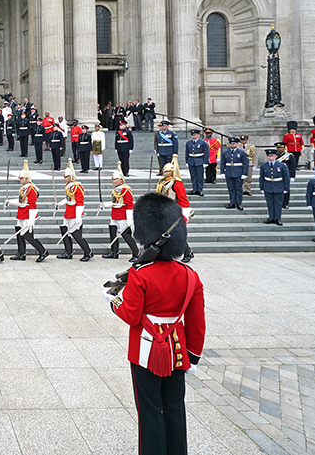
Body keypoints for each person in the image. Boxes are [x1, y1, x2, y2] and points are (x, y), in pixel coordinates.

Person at [108, 193, 205, 455]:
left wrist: (113, 301)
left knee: (149, 409)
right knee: (174, 407)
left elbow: (129, 315)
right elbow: (196, 324)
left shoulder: (141, 275)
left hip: (144, 351)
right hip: (177, 352)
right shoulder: (190, 275)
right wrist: (192, 357)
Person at [5, 160, 48, 262]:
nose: (20, 180)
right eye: (19, 178)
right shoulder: (24, 188)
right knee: (20, 234)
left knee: (28, 236)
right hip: (21, 213)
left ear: (26, 178)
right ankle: (21, 253)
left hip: (28, 215)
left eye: (21, 178)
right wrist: (10, 202)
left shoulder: (31, 189)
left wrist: (31, 219)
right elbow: (21, 202)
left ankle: (43, 251)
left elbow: (32, 205)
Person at [156, 156, 195, 263]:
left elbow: (183, 200)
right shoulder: (162, 182)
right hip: (163, 209)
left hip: (173, 210)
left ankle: (188, 252)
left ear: (172, 172)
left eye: (167, 171)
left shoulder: (176, 183)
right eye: (164, 170)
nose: (164, 172)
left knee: (175, 233)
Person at [55, 159, 92, 261]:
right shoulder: (68, 186)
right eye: (64, 176)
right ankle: (68, 252)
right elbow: (68, 199)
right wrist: (59, 204)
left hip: (75, 212)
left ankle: (88, 252)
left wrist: (78, 216)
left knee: (76, 235)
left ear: (71, 176)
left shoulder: (77, 186)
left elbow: (80, 202)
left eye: (66, 176)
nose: (64, 178)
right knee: (64, 231)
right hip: (68, 212)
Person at [102, 163, 139, 261]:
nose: (112, 181)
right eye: (113, 179)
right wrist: (105, 205)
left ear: (120, 180)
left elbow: (129, 204)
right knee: (113, 233)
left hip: (122, 216)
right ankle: (114, 252)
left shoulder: (125, 189)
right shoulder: (116, 189)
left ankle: (136, 253)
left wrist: (130, 219)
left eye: (114, 179)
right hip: (114, 214)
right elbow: (116, 202)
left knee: (126, 235)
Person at [259, 148, 290, 226]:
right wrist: (261, 187)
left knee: (278, 203)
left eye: (272, 156)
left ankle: (277, 218)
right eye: (269, 156)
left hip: (278, 186)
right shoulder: (263, 166)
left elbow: (286, 177)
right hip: (268, 186)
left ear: (276, 156)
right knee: (270, 203)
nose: (270, 157)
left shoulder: (282, 165)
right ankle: (271, 217)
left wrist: (286, 188)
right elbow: (261, 177)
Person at [219, 136, 248, 210]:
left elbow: (245, 163)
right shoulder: (225, 152)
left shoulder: (242, 153)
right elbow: (223, 163)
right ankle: (232, 202)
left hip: (238, 173)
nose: (232, 145)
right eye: (231, 144)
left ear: (237, 144)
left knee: (238, 189)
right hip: (229, 172)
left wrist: (244, 173)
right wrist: (222, 171)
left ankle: (238, 203)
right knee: (231, 188)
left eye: (234, 143)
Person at [184, 129, 208, 196]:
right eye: (192, 135)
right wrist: (187, 161)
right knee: (193, 176)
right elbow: (187, 152)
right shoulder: (189, 143)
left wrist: (205, 162)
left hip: (199, 160)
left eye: (195, 135)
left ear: (198, 135)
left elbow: (206, 153)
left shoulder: (203, 142)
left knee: (199, 176)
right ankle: (194, 189)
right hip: (191, 160)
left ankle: (199, 190)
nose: (193, 136)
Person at [274, 142, 295, 209]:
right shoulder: (274, 155)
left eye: (281, 147)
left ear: (284, 148)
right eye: (278, 148)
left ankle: (285, 203)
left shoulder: (289, 155)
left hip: (286, 174)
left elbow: (293, 166)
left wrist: (292, 176)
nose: (280, 149)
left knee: (286, 190)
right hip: (277, 175)